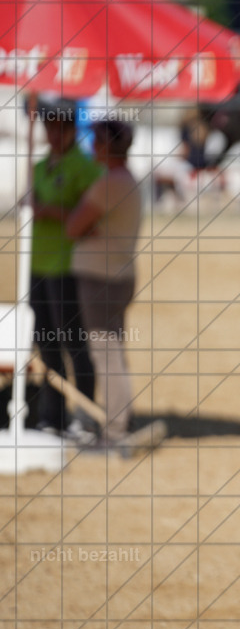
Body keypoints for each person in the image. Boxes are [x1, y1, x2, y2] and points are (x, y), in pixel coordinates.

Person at [65, 120, 156, 451]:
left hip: (101, 277)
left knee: (106, 354)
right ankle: (121, 420)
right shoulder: (126, 180)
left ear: (106, 146)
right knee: (113, 351)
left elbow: (74, 226)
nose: (93, 147)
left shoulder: (108, 183)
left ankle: (115, 429)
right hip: (119, 275)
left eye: (97, 141)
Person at [26, 96, 101, 435]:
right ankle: (51, 414)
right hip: (38, 263)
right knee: (45, 343)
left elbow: (92, 221)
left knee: (74, 343)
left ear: (71, 129)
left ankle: (84, 415)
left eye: (60, 127)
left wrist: (52, 212)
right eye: (49, 127)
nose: (53, 134)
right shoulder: (41, 166)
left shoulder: (85, 168)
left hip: (67, 267)